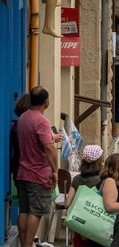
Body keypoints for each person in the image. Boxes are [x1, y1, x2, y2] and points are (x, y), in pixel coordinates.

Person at [15, 86, 59, 247]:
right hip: (38, 174)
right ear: (46, 102)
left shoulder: (23, 118)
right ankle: (28, 244)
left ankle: (24, 243)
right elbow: (48, 147)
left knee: (24, 211)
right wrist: (55, 170)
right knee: (36, 212)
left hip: (23, 172)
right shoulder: (41, 121)